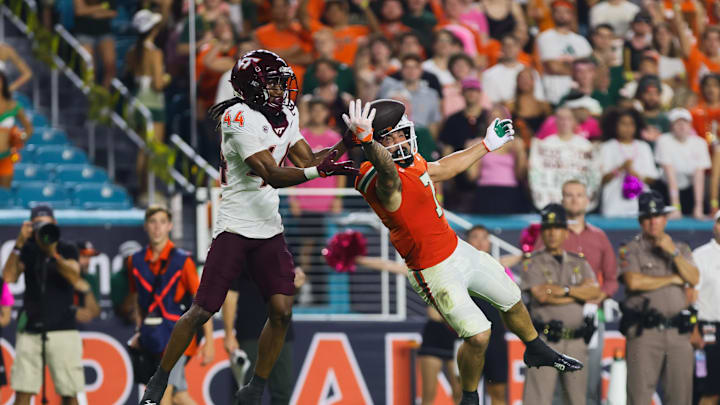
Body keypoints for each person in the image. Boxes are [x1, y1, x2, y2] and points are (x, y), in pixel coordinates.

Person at [139, 50, 357, 405]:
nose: (280, 90)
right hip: (236, 225)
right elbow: (272, 173)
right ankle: (159, 379)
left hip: (268, 226)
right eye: (272, 82)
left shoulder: (287, 112)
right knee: (202, 310)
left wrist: (349, 142)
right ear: (252, 86)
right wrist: (324, 172)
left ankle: (256, 385)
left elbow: (308, 160)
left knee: (283, 311)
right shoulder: (237, 116)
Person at [343, 98, 582, 405]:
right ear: (375, 145)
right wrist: (366, 143)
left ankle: (535, 347)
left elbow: (443, 168)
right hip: (433, 269)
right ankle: (469, 396)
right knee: (479, 336)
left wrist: (486, 144)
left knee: (511, 297)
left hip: (458, 249)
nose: (399, 141)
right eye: (388, 139)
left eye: (399, 134)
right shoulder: (383, 181)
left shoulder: (411, 163)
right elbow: (388, 175)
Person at [535, 180, 618, 405]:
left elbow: (611, 278)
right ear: (562, 200)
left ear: (587, 200)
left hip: (590, 316)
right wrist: (574, 293)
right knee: (552, 387)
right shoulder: (549, 234)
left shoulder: (599, 237)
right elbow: (538, 278)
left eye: (579, 195)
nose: (574, 199)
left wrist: (599, 297)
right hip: (555, 317)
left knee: (587, 382)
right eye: (569, 195)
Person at [618, 190, 699, 405]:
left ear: (665, 218)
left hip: (678, 333)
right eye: (648, 217)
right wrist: (673, 278)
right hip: (645, 332)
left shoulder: (680, 248)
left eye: (657, 216)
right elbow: (634, 282)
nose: (653, 222)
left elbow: (693, 277)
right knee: (639, 398)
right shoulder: (630, 249)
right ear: (641, 221)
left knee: (680, 398)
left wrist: (672, 252)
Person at [128, 206, 214, 405]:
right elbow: (138, 300)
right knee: (178, 396)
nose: (157, 227)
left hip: (178, 337)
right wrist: (139, 331)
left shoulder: (183, 261)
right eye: (153, 222)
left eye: (162, 222)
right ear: (146, 226)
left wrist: (209, 340)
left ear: (170, 226)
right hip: (153, 337)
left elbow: (201, 302)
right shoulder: (135, 261)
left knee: (162, 394)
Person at [2, 205, 86, 405]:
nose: (43, 230)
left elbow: (75, 276)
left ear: (55, 224)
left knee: (69, 392)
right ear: (31, 227)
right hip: (30, 329)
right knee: (23, 391)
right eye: (38, 225)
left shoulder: (67, 248)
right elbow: (8, 277)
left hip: (63, 329)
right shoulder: (27, 249)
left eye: (46, 225)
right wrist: (19, 243)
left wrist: (53, 253)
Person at [521, 204, 602, 405]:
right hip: (546, 339)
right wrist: (577, 293)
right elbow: (541, 295)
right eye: (547, 228)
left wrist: (563, 291)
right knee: (537, 400)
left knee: (576, 400)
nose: (552, 233)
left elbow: (594, 292)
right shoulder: (532, 261)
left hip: (576, 339)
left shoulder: (579, 262)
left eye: (557, 227)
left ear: (565, 232)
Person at [222, 268, 306, 405]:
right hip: (250, 332)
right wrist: (229, 334)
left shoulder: (283, 249)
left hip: (281, 332)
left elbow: (288, 290)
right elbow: (231, 293)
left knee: (283, 392)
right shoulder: (241, 250)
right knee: (244, 392)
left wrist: (296, 285)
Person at [528, 107, 601, 211]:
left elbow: (594, 174)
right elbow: (536, 173)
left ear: (574, 121)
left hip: (579, 206)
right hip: (551, 202)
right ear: (555, 121)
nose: (564, 122)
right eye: (561, 118)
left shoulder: (585, 146)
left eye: (568, 118)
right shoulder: (545, 144)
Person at [599, 107, 658, 217]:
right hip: (613, 206)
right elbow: (602, 180)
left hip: (640, 205)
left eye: (631, 124)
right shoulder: (607, 147)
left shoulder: (643, 147)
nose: (627, 128)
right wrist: (620, 169)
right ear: (615, 126)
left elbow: (652, 179)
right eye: (623, 124)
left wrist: (635, 174)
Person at [654, 108, 711, 219]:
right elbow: (670, 175)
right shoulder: (663, 141)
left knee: (701, 211)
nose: (681, 126)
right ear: (671, 126)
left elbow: (699, 175)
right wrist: (675, 206)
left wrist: (699, 207)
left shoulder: (700, 143)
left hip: (690, 189)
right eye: (677, 123)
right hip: (666, 189)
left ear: (690, 125)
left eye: (684, 122)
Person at [535, 1, 593, 104]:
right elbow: (553, 67)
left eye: (566, 12)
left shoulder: (581, 41)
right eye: (558, 12)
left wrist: (563, 66)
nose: (562, 15)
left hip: (580, 96)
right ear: (552, 14)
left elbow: (591, 69)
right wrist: (580, 71)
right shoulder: (545, 37)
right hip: (554, 95)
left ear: (572, 15)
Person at [691, 211, 720, 405]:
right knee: (710, 390)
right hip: (710, 330)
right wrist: (693, 329)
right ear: (714, 226)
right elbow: (691, 296)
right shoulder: (700, 255)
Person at [72, 0, 117, 88]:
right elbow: (79, 11)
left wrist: (89, 11)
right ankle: (91, 96)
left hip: (104, 32)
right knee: (90, 69)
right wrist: (101, 7)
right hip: (84, 32)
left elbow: (113, 12)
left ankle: (102, 97)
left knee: (111, 67)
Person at [0, 70, 32, 188]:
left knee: (3, 196)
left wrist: (20, 138)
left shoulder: (13, 106)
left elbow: (29, 128)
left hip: (6, 157)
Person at [74, 240, 101, 324]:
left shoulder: (90, 278)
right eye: (84, 256)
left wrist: (87, 290)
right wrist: (73, 312)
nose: (88, 262)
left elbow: (95, 312)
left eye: (89, 257)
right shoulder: (61, 276)